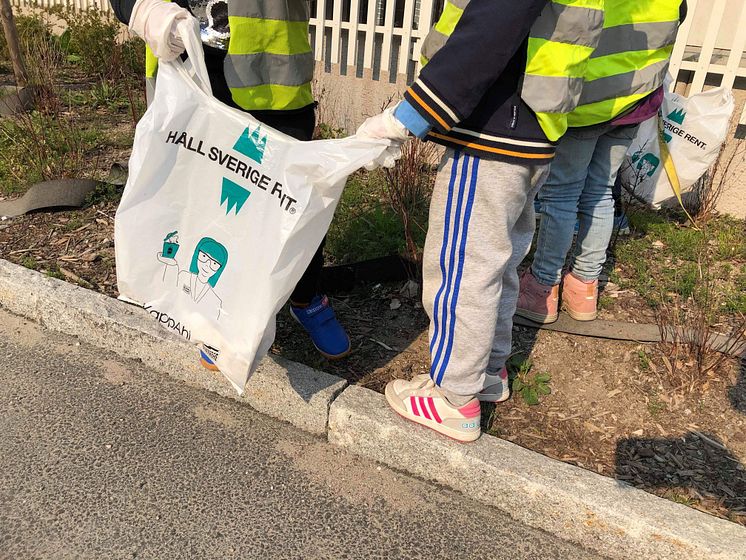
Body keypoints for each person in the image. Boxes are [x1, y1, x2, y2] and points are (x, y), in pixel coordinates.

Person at [357, 0, 611, 441]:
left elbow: (492, 25)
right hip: (535, 126)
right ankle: (488, 372)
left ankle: (454, 398)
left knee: (462, 267)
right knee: (498, 261)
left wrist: (409, 116)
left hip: (493, 129)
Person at [110, 0, 352, 366]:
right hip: (187, 70)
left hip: (274, 81)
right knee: (205, 202)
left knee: (288, 202)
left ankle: (304, 297)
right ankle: (220, 316)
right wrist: (142, 8)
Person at [516, 1, 687, 324]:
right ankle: (584, 287)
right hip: (635, 98)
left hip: (587, 99)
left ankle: (542, 286)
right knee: (601, 191)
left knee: (562, 195)